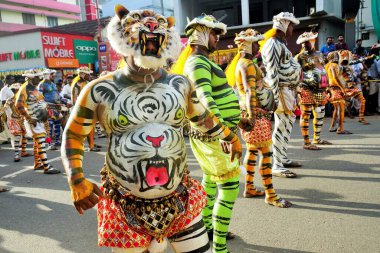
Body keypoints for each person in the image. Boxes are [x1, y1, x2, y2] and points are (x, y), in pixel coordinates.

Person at [62, 5, 242, 253]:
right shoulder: (97, 89)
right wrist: (76, 178)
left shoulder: (180, 84)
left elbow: (203, 118)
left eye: (158, 22)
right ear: (120, 36)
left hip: (180, 198)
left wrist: (231, 137)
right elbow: (73, 134)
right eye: (139, 20)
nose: (151, 25)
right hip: (125, 204)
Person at [172, 14, 242, 252]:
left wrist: (239, 120)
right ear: (201, 33)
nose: (217, 39)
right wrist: (227, 135)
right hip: (215, 136)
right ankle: (219, 248)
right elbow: (205, 100)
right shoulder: (198, 62)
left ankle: (209, 230)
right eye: (214, 34)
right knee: (230, 186)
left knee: (211, 183)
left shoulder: (201, 61)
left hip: (214, 134)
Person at [225, 28, 291, 207]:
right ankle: (270, 194)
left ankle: (250, 187)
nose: (259, 47)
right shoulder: (247, 65)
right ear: (248, 44)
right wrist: (253, 117)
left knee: (253, 151)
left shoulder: (244, 63)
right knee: (266, 153)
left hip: (251, 114)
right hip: (256, 116)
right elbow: (249, 91)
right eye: (256, 43)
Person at [260, 12, 302, 178]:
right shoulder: (272, 44)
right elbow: (272, 73)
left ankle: (282, 157)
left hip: (289, 90)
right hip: (282, 92)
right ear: (284, 24)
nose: (292, 29)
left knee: (287, 126)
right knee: (280, 126)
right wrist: (277, 98)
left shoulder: (280, 43)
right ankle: (276, 164)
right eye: (291, 25)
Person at [16, 69, 60, 174]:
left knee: (38, 143)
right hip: (33, 119)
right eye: (36, 77)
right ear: (30, 78)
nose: (39, 78)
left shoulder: (33, 88)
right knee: (40, 142)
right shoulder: (25, 88)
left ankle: (37, 163)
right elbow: (19, 105)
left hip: (39, 119)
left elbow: (41, 101)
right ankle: (46, 167)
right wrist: (29, 118)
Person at [295, 31, 332, 150]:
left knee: (320, 113)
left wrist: (327, 87)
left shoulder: (320, 54)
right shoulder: (299, 57)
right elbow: (295, 74)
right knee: (306, 114)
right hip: (306, 88)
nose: (304, 44)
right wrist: (297, 90)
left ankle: (317, 138)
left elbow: (323, 69)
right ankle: (306, 142)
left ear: (313, 41)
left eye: (306, 42)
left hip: (320, 89)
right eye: (302, 43)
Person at [71, 66, 101, 151]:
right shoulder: (77, 83)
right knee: (87, 128)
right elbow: (74, 97)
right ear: (82, 74)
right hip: (82, 108)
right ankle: (90, 146)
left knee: (91, 127)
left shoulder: (87, 82)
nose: (89, 76)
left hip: (89, 106)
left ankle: (92, 144)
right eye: (88, 74)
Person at [339, 50, 369, 125]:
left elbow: (357, 61)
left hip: (352, 85)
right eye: (349, 55)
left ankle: (361, 117)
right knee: (344, 103)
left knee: (361, 100)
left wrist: (367, 58)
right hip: (346, 86)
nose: (351, 56)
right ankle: (338, 118)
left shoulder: (348, 64)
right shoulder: (340, 66)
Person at [4, 82, 32, 162]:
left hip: (21, 119)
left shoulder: (23, 99)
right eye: (16, 90)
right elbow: (4, 109)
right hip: (14, 120)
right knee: (18, 137)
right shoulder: (10, 100)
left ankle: (23, 152)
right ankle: (16, 155)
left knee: (24, 135)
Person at [325, 51, 352, 134]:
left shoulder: (327, 66)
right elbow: (335, 77)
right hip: (336, 88)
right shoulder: (334, 65)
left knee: (337, 109)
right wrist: (342, 88)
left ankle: (333, 126)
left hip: (331, 88)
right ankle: (340, 128)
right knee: (340, 109)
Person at [39, 68, 63, 150]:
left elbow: (58, 95)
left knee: (57, 124)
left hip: (56, 107)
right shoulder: (41, 85)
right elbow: (39, 97)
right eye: (51, 74)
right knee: (49, 126)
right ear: (46, 75)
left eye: (53, 74)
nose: (53, 76)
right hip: (48, 107)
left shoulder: (53, 84)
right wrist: (43, 106)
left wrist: (65, 102)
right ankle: (49, 143)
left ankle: (57, 141)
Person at [0, 75, 15, 144]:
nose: (13, 81)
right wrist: (5, 113)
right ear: (7, 80)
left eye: (13, 79)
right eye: (12, 79)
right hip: (7, 110)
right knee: (9, 125)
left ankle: (13, 138)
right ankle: (12, 139)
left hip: (13, 109)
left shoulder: (10, 89)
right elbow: (3, 102)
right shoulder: (3, 90)